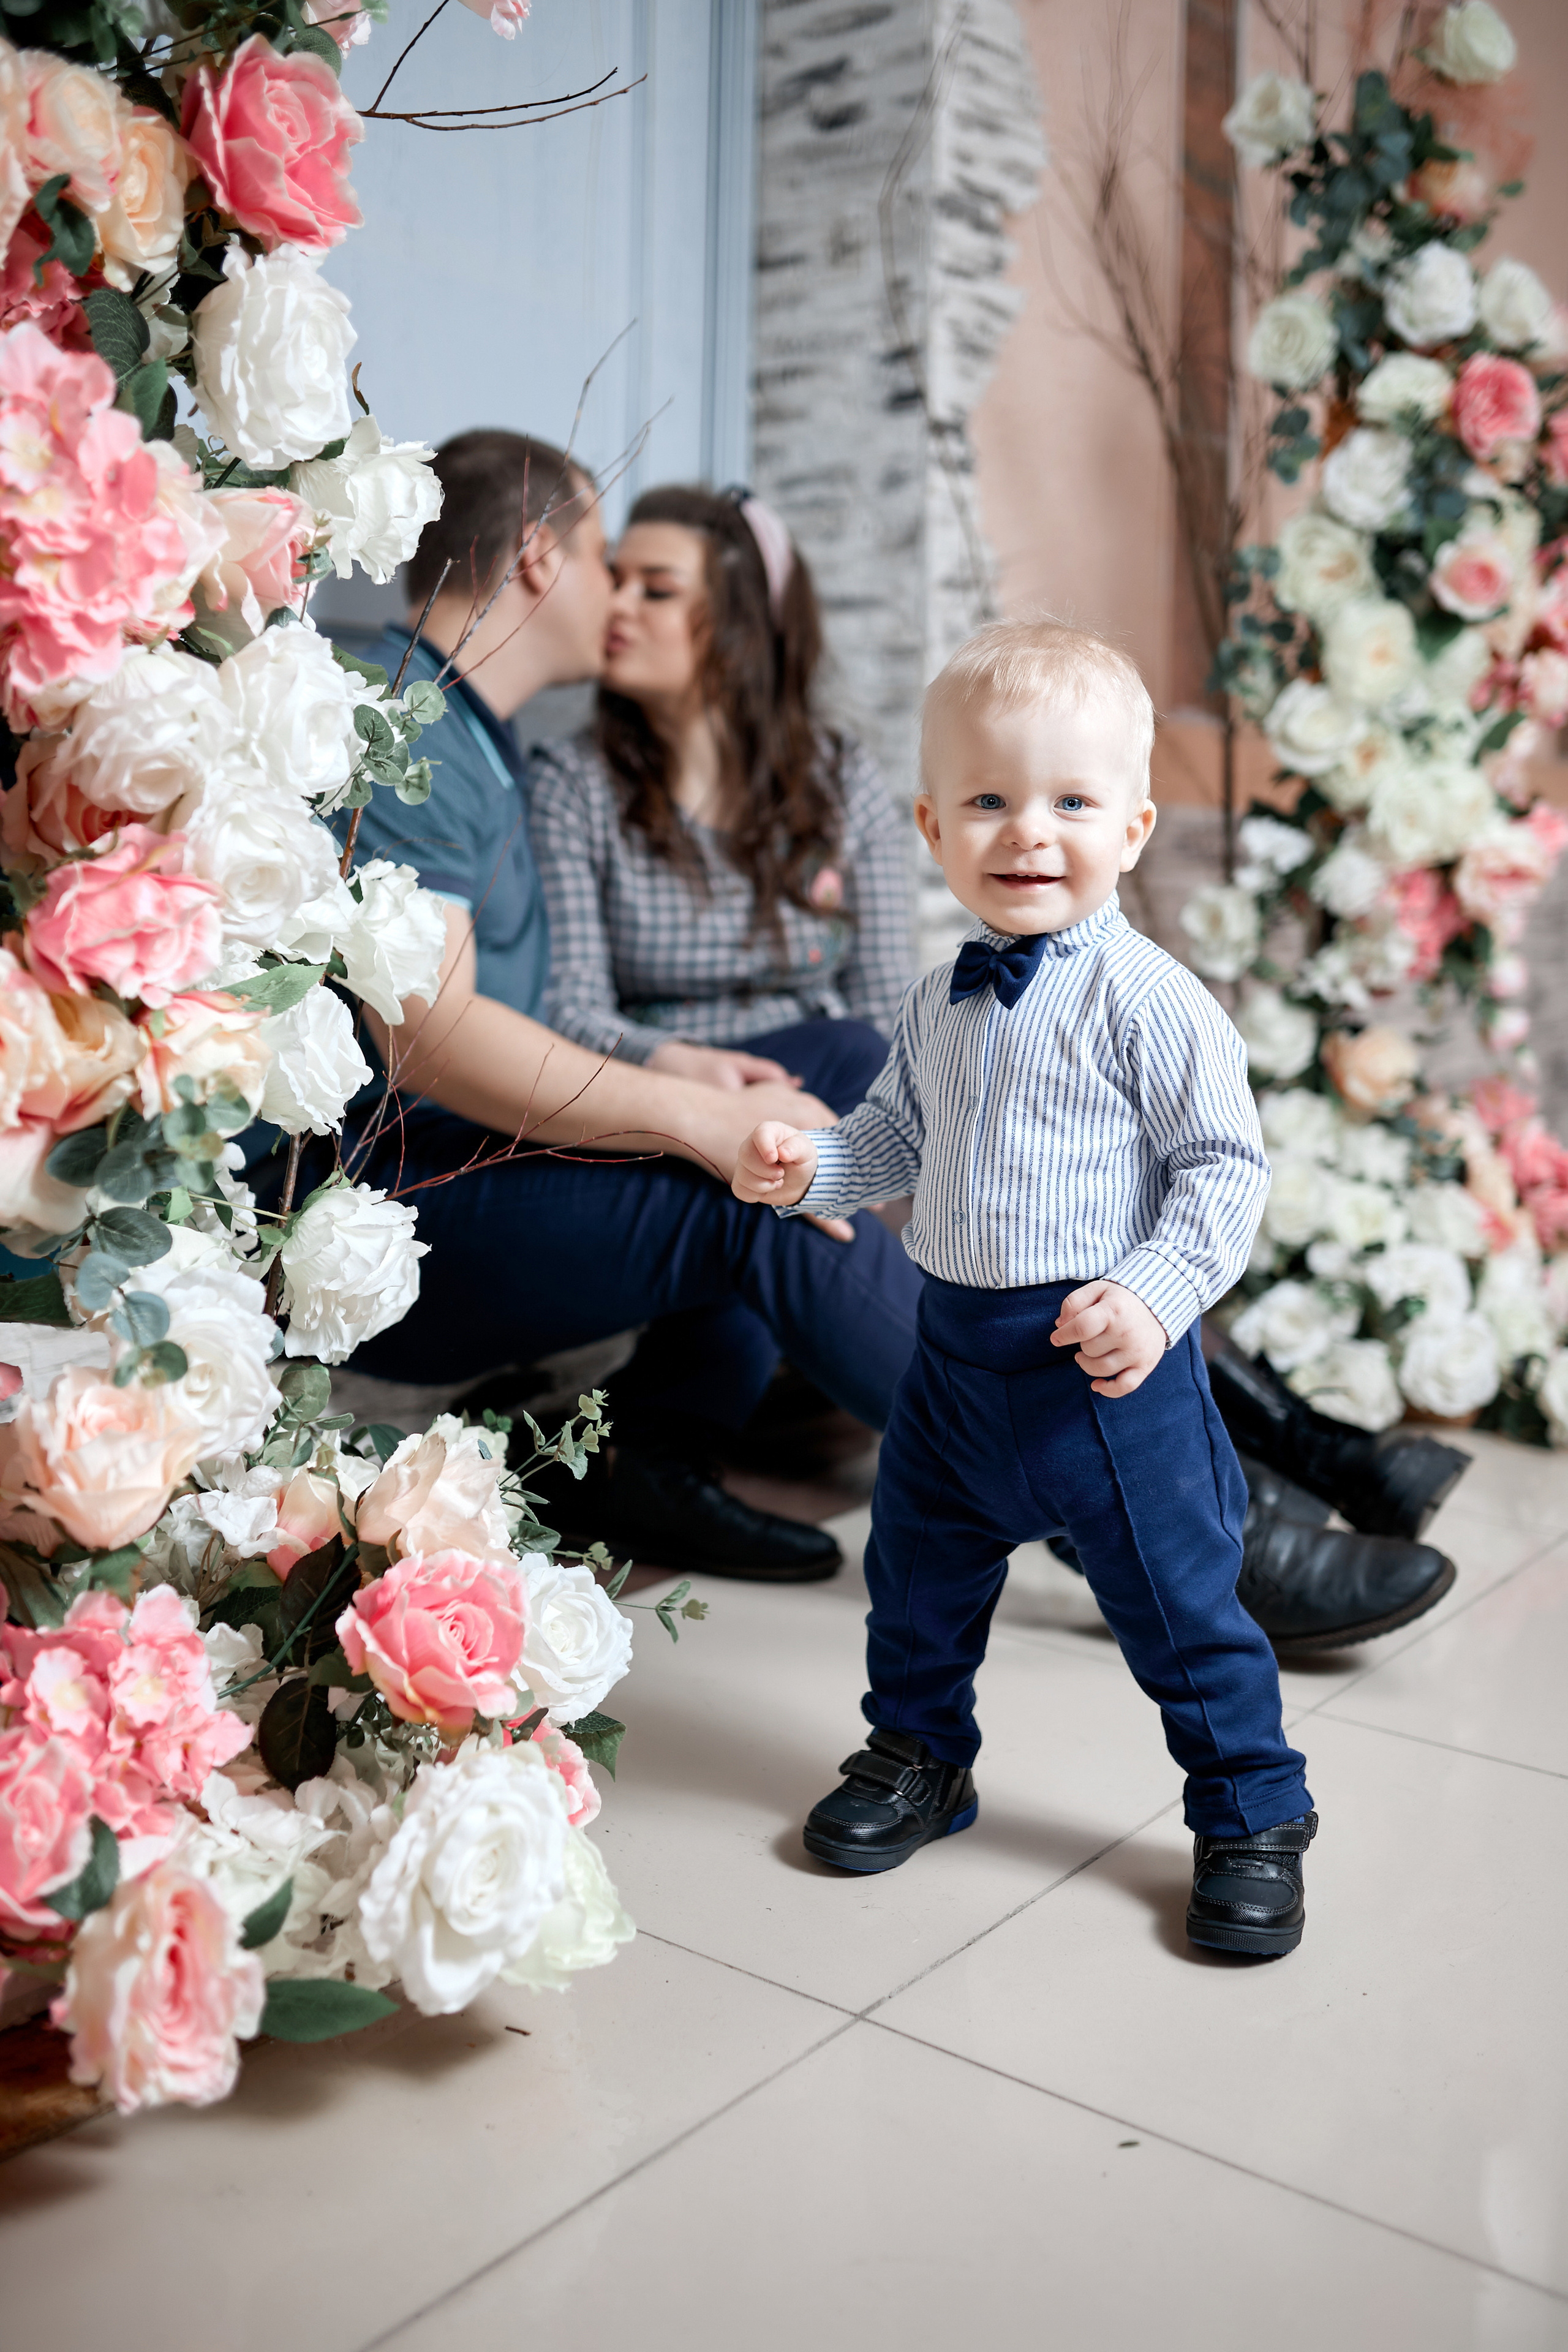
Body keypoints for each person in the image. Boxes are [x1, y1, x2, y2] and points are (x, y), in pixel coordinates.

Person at [734, 619, 1317, 1959]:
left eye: (1068, 800)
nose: (1026, 832)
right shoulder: (938, 997)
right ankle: (918, 1756)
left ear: (1132, 823)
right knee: (915, 1581)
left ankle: (1249, 1810)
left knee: (1178, 1604)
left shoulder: (1150, 1000)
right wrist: (808, 1171)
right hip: (948, 1370)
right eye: (988, 801)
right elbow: (894, 1140)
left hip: (1099, 1379)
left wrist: (1155, 1296)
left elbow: (1223, 1170)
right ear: (935, 825)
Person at [295, 428, 925, 1581]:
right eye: (606, 563)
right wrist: (690, 1116)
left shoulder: (478, 742)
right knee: (754, 1190)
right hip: (404, 1205)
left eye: (652, 580)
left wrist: (684, 1074)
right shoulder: (411, 727)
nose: (619, 596)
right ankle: (1113, 1499)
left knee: (830, 1056)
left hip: (478, 1162)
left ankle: (655, 1459)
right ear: (540, 559)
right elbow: (426, 1033)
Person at [528, 484, 911, 1131]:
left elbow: (886, 1013)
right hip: (661, 1104)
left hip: (825, 1088)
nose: (616, 605)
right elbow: (568, 1008)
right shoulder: (571, 786)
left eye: (656, 590)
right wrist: (678, 1066)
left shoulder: (841, 781)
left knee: (858, 1055)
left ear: (740, 625)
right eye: (616, 580)